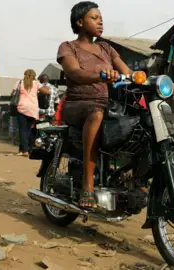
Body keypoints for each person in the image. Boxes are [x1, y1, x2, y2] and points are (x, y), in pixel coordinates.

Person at [57, 1, 132, 208]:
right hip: (77, 104)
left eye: (101, 18)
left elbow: (128, 73)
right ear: (80, 22)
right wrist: (100, 76)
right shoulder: (68, 47)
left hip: (105, 104)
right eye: (94, 18)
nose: (100, 22)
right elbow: (74, 73)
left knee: (140, 120)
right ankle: (87, 185)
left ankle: (135, 181)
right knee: (97, 114)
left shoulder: (106, 48)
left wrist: (155, 80)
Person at [13, 69, 49, 157]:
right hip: (32, 109)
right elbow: (46, 91)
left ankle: (24, 150)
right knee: (29, 129)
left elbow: (13, 93)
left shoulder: (20, 82)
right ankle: (26, 149)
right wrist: (37, 91)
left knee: (22, 129)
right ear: (34, 75)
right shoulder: (36, 83)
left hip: (22, 108)